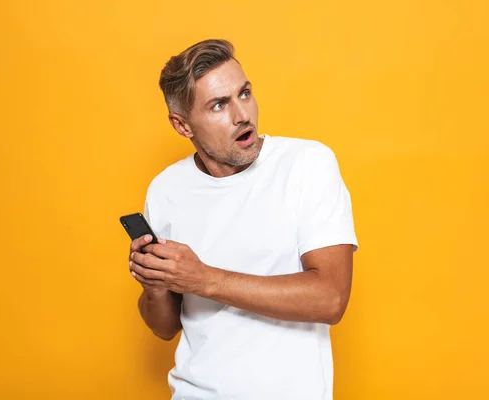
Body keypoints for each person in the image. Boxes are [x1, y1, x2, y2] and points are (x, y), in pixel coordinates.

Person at [128, 39, 359, 400]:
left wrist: (204, 279)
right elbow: (165, 327)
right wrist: (156, 288)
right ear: (182, 125)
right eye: (219, 105)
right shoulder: (166, 189)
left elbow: (330, 299)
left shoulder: (306, 164)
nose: (242, 115)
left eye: (245, 93)